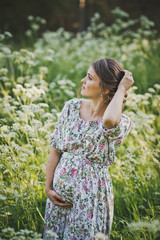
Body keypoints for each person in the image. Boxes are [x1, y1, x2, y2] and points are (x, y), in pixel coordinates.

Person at [43, 57, 134, 240]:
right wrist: (48, 188)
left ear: (105, 88)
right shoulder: (71, 107)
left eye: (90, 78)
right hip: (58, 198)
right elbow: (55, 149)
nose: (83, 81)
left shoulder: (119, 122)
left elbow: (108, 121)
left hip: (90, 200)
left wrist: (122, 88)